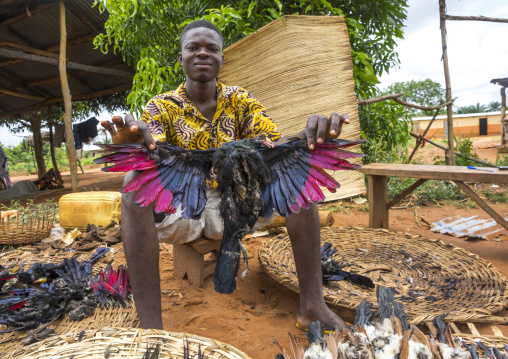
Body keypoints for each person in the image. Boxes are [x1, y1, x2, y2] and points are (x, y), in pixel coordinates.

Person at [102, 20, 351, 331]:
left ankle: (312, 306)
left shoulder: (241, 100)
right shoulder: (161, 107)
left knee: (298, 185)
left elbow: (272, 146)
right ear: (181, 58)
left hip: (239, 209)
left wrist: (306, 137)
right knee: (132, 186)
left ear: (221, 58)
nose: (202, 53)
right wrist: (133, 145)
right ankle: (153, 329)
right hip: (183, 214)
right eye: (193, 47)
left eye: (212, 48)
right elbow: (149, 151)